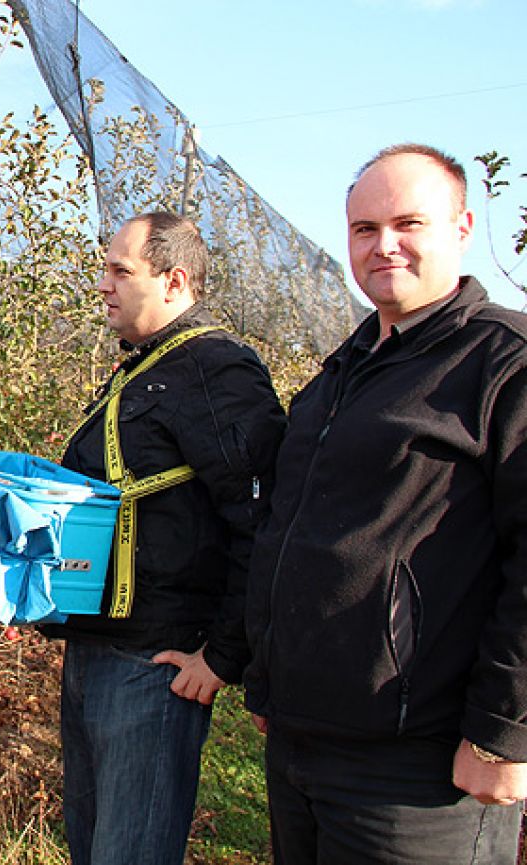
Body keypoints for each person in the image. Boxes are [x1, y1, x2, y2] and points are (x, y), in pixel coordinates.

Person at [244, 144, 527, 863]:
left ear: (461, 226)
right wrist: (272, 680)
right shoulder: (341, 371)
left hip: (419, 768)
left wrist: (502, 729)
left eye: (408, 223)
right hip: (302, 746)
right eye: (363, 229)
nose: (383, 245)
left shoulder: (502, 362)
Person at [41, 212, 285, 865]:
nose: (102, 284)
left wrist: (221, 657)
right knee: (91, 847)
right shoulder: (141, 368)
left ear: (174, 281)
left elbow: (261, 519)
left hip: (152, 668)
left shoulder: (214, 370)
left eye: (120, 270)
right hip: (95, 651)